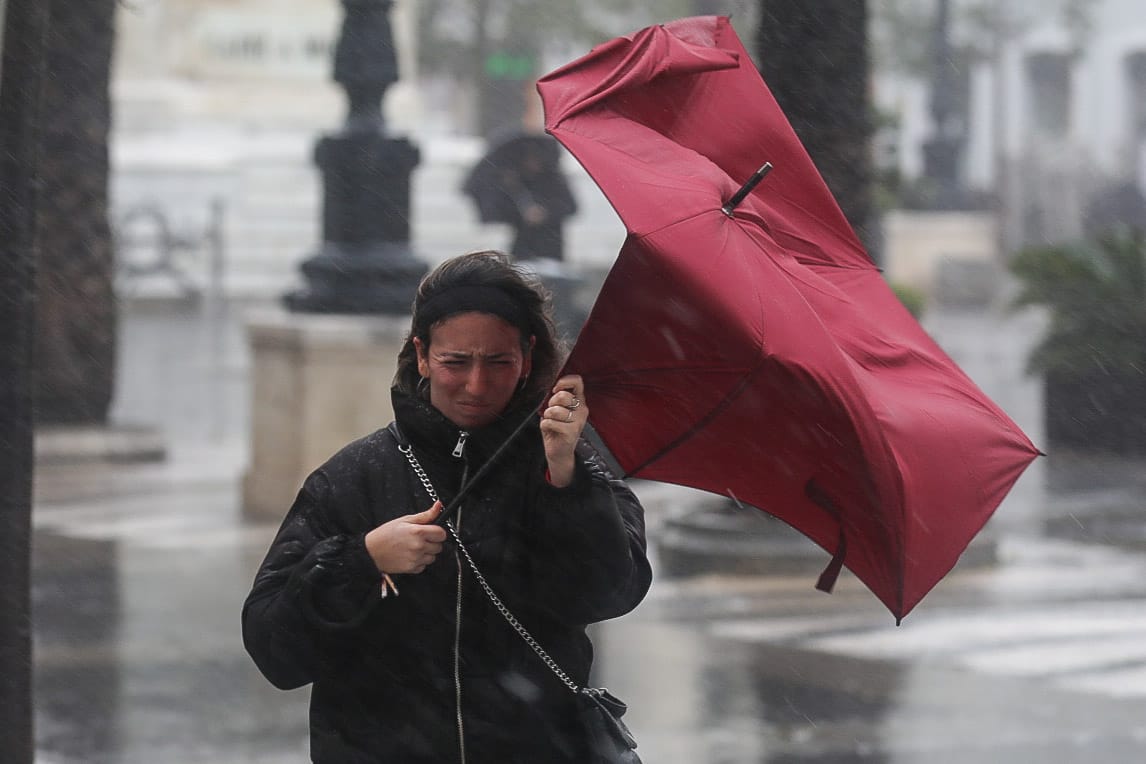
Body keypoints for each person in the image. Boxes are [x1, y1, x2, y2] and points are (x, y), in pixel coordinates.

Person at [242, 250, 652, 763]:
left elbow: (609, 595)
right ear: (421, 354)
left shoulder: (571, 468)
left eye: (498, 362)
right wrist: (362, 563)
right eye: (455, 362)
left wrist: (567, 482)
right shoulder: (355, 477)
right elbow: (275, 649)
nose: (476, 386)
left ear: (527, 356)